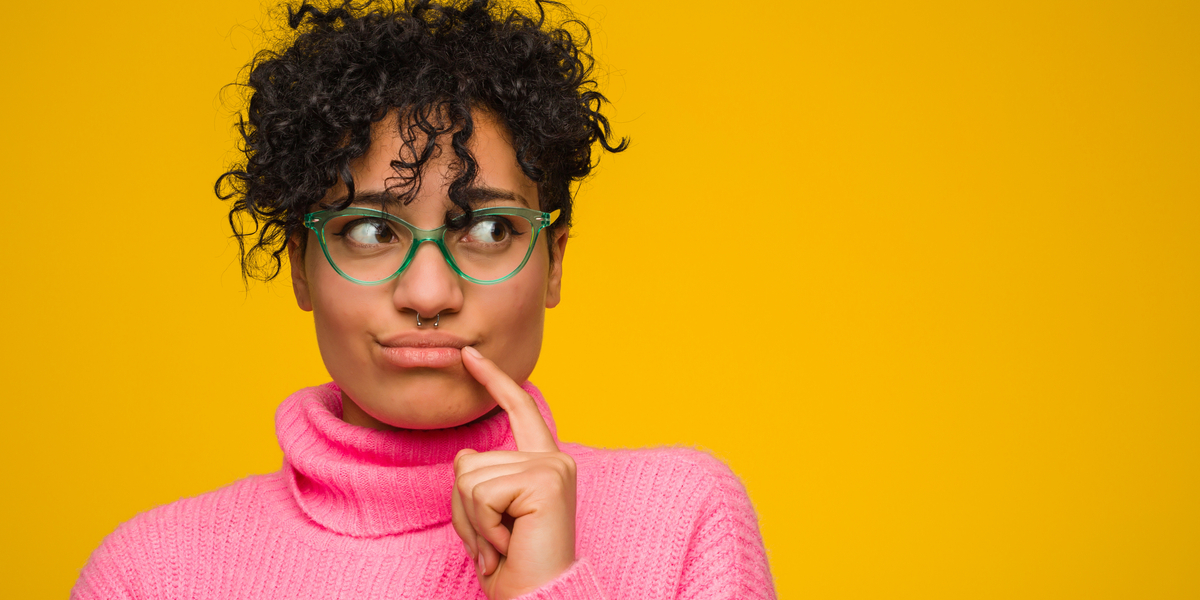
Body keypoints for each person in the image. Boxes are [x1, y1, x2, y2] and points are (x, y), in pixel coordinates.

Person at [71, 1, 776, 598]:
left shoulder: (685, 523)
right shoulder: (151, 575)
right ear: (300, 266)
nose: (429, 293)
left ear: (554, 262)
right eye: (371, 230)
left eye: (489, 229)